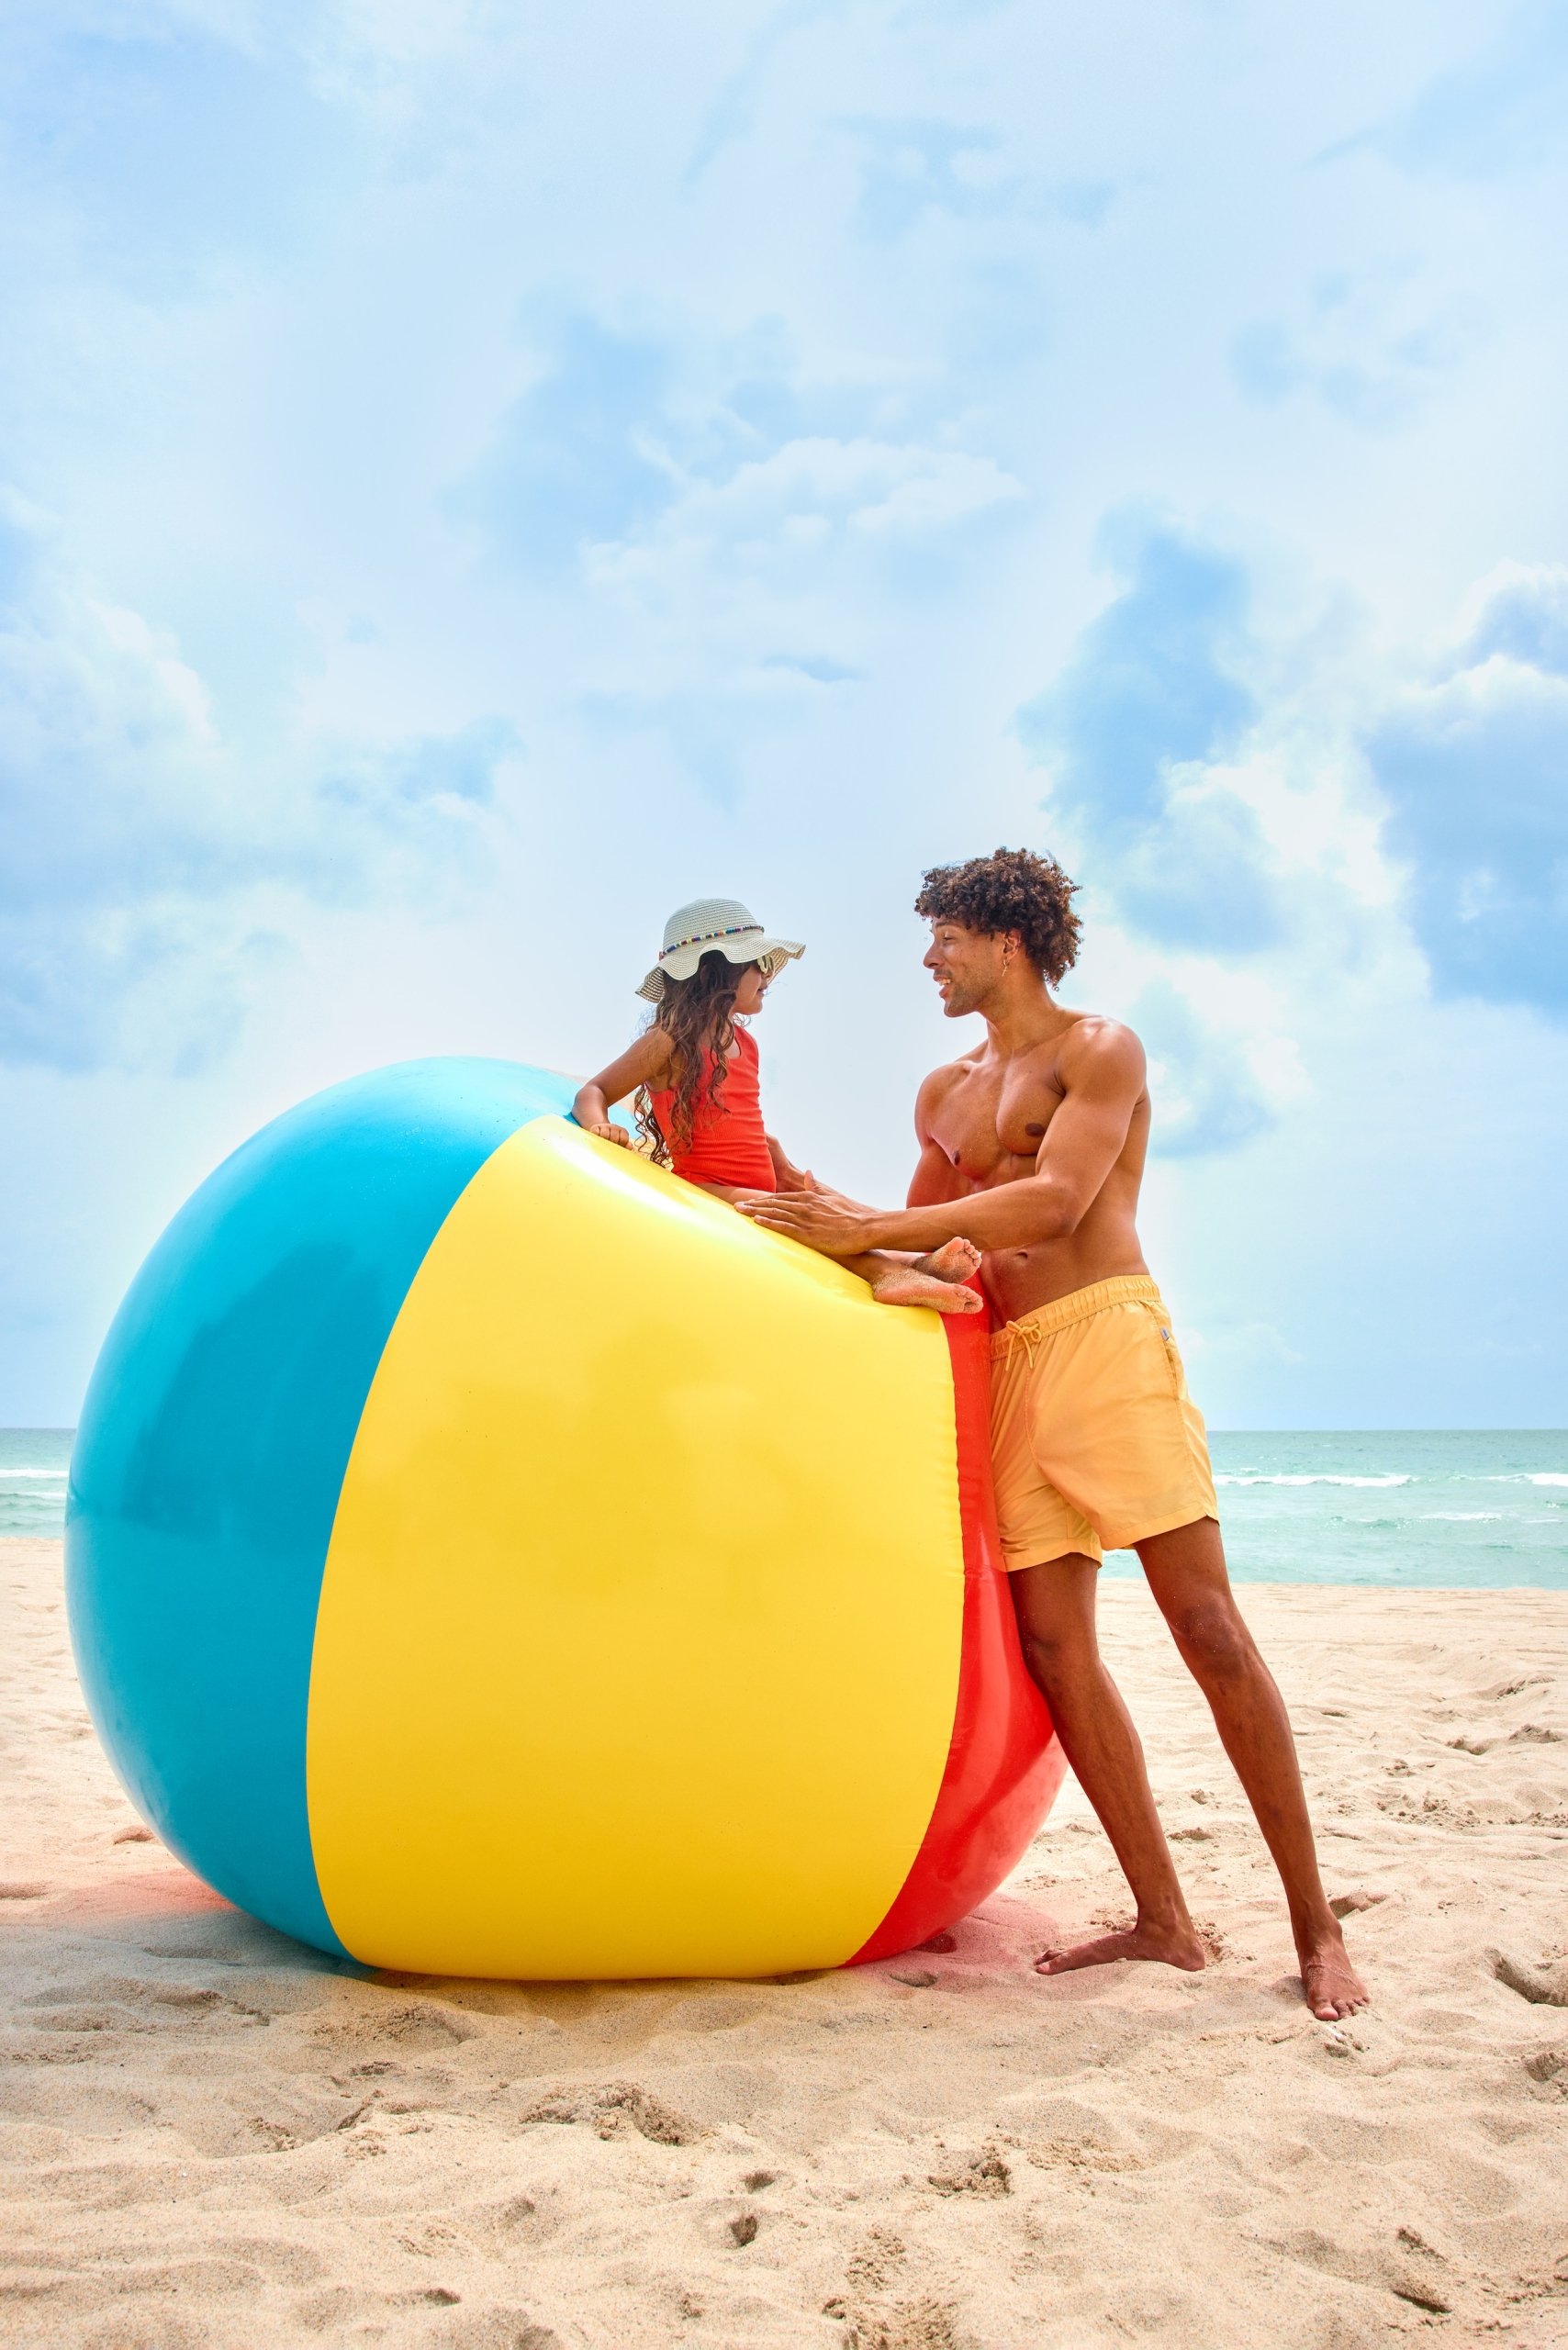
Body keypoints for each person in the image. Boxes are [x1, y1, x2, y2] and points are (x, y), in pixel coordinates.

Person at [739, 849, 1368, 2022]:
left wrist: (875, 1219)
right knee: (1058, 1652)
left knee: (1207, 1627)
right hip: (1011, 1363)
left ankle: (1315, 1925)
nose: (927, 960)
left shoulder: (1100, 1049)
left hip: (1104, 1337)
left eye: (943, 939)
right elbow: (928, 1239)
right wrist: (802, 1201)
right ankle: (1162, 1920)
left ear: (1004, 940)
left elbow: (1055, 1202)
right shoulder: (942, 1090)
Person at [571, 896, 982, 1315]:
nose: (767, 973)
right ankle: (890, 1276)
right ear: (717, 972)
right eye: (756, 963)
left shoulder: (745, 1043)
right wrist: (598, 1126)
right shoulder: (668, 1041)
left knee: (821, 1210)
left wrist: (773, 1154)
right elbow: (595, 1091)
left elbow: (732, 1118)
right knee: (804, 1218)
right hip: (712, 1189)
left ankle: (913, 1261)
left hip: (758, 1184)